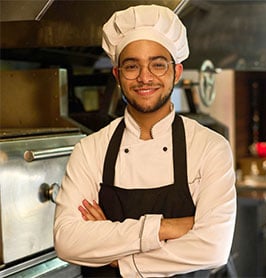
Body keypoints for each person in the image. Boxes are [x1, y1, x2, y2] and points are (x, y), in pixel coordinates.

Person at [53, 5, 237, 277]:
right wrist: (164, 228)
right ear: (117, 75)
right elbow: (67, 241)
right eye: (131, 66)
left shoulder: (209, 147)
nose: (145, 77)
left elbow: (213, 247)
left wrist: (119, 259)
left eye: (158, 64)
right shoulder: (91, 149)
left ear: (176, 72)